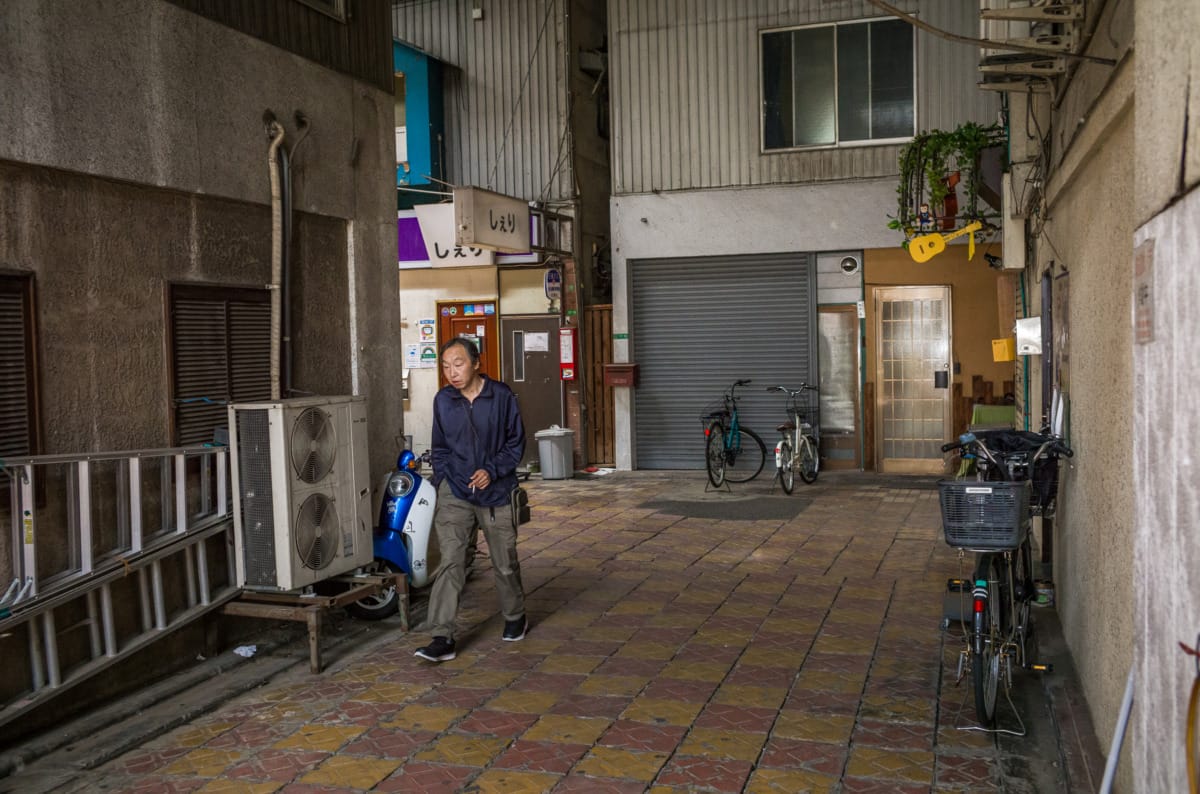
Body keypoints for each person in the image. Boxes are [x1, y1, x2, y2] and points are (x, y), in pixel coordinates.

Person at [415, 337, 527, 662]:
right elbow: (440, 449)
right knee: (451, 560)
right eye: (446, 366)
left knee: (504, 561)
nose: (452, 372)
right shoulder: (443, 400)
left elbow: (515, 444)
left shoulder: (501, 396)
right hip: (455, 491)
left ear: (477, 363)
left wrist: (491, 470)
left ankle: (515, 615)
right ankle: (441, 635)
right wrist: (445, 478)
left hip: (496, 491)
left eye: (458, 363)